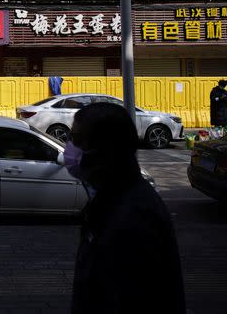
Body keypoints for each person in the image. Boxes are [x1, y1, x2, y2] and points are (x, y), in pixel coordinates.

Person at [66, 102, 185, 314]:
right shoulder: (108, 198)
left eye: (77, 140)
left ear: (105, 148)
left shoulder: (133, 215)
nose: (69, 149)